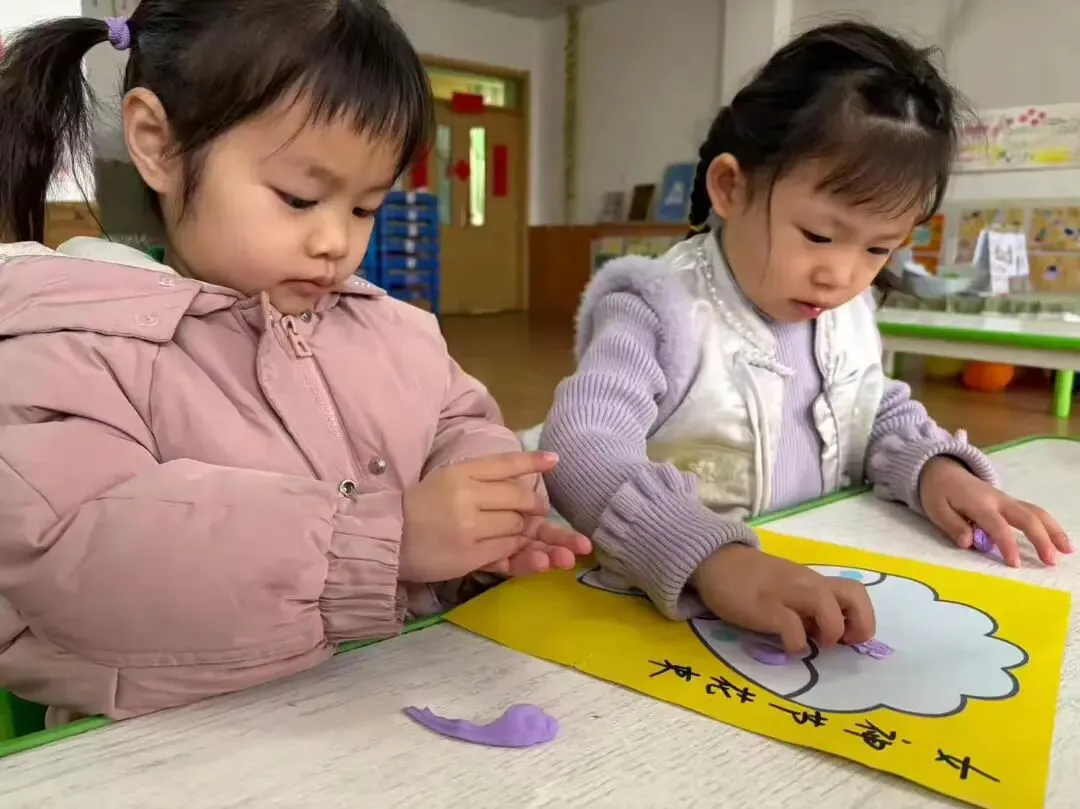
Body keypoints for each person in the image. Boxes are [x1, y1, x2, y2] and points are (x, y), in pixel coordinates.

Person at [0, 0, 590, 722]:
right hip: (180, 742)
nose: (336, 242)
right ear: (158, 144)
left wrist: (485, 511)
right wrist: (386, 543)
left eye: (365, 208)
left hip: (380, 709)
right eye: (300, 197)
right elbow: (74, 559)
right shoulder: (73, 340)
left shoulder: (388, 328)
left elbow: (455, 419)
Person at [538, 21, 1071, 656]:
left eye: (878, 248)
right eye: (819, 235)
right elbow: (581, 446)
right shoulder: (657, 309)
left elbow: (872, 410)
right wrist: (711, 558)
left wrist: (937, 471)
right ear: (731, 187)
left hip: (817, 582)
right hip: (669, 610)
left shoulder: (845, 311)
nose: (841, 275)